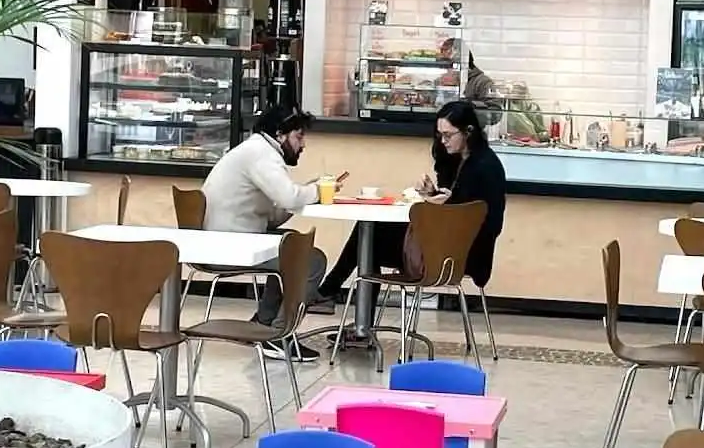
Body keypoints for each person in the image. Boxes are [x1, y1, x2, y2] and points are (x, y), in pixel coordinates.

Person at [317, 100, 506, 326]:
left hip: (458, 254)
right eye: (440, 135)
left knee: (368, 239)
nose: (443, 141)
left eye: (448, 135)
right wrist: (435, 195)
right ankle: (350, 314)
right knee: (369, 236)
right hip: (444, 246)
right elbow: (458, 202)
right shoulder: (459, 160)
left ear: (468, 131)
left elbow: (483, 219)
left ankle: (335, 300)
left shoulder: (485, 168)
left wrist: (444, 204)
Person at [201, 105, 331, 363]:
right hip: (226, 245)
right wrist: (316, 190)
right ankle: (279, 335)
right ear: (280, 134)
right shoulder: (261, 155)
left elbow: (273, 214)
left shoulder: (255, 150)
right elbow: (288, 197)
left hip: (228, 236)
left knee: (292, 243)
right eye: (299, 136)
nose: (303, 144)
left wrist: (303, 195)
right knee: (312, 260)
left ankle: (264, 322)